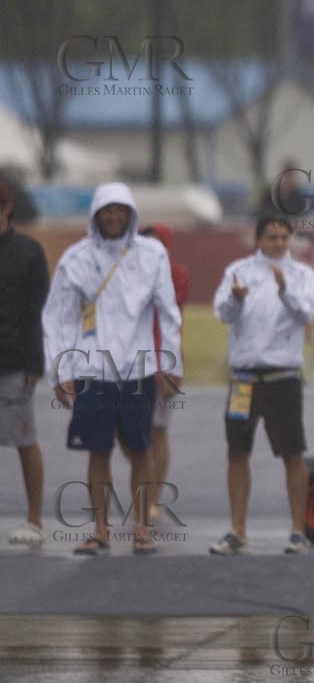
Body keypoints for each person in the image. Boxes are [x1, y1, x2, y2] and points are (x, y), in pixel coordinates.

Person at [41, 182, 183, 556]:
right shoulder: (76, 259)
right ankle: (100, 529)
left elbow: (168, 312)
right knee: (97, 452)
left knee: (140, 449)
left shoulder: (152, 254)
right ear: (97, 215)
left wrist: (172, 363)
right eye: (108, 210)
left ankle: (141, 528)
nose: (114, 216)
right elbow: (57, 316)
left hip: (138, 370)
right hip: (92, 371)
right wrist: (60, 371)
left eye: (121, 210)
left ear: (131, 214)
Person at [206, 215, 314, 555]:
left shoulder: (303, 274)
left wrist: (285, 291)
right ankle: (237, 530)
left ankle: (298, 531)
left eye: (284, 237)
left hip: (282, 376)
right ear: (258, 239)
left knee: (292, 454)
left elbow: (306, 315)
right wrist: (236, 299)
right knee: (237, 452)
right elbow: (222, 313)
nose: (279, 244)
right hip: (243, 378)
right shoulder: (238, 271)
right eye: (272, 238)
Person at [122, 223, 188, 527]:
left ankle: (151, 499)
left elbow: (170, 318)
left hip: (162, 360)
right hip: (131, 361)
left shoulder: (176, 275)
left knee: (157, 431)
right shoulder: (130, 273)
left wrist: (170, 367)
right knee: (129, 432)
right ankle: (145, 489)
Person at [0, 178, 49, 547]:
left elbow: (37, 310)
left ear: (7, 208)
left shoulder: (29, 252)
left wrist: (35, 362)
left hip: (15, 363)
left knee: (24, 440)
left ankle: (34, 521)